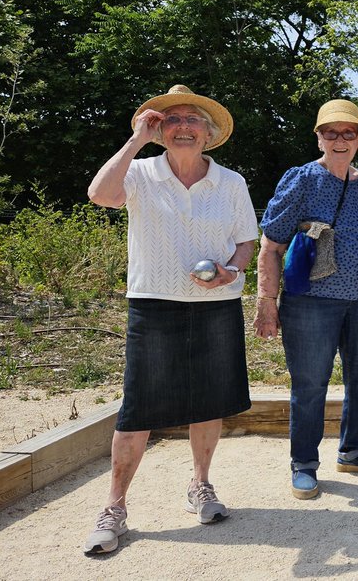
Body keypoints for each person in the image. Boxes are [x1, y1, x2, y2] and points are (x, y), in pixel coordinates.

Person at [83, 85, 257, 554]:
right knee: (138, 408)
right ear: (161, 130)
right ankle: (115, 508)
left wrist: (231, 272)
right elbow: (100, 195)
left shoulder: (231, 182)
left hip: (216, 305)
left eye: (193, 119)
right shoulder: (139, 172)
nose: (184, 126)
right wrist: (137, 138)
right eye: (173, 119)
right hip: (154, 305)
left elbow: (246, 241)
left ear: (209, 132)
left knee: (209, 401)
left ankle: (201, 485)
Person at [255, 99, 358, 500]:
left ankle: (352, 451)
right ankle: (304, 464)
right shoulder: (301, 179)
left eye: (349, 133)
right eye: (330, 132)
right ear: (318, 137)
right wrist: (266, 299)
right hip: (311, 302)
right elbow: (270, 245)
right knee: (311, 384)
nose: (340, 139)